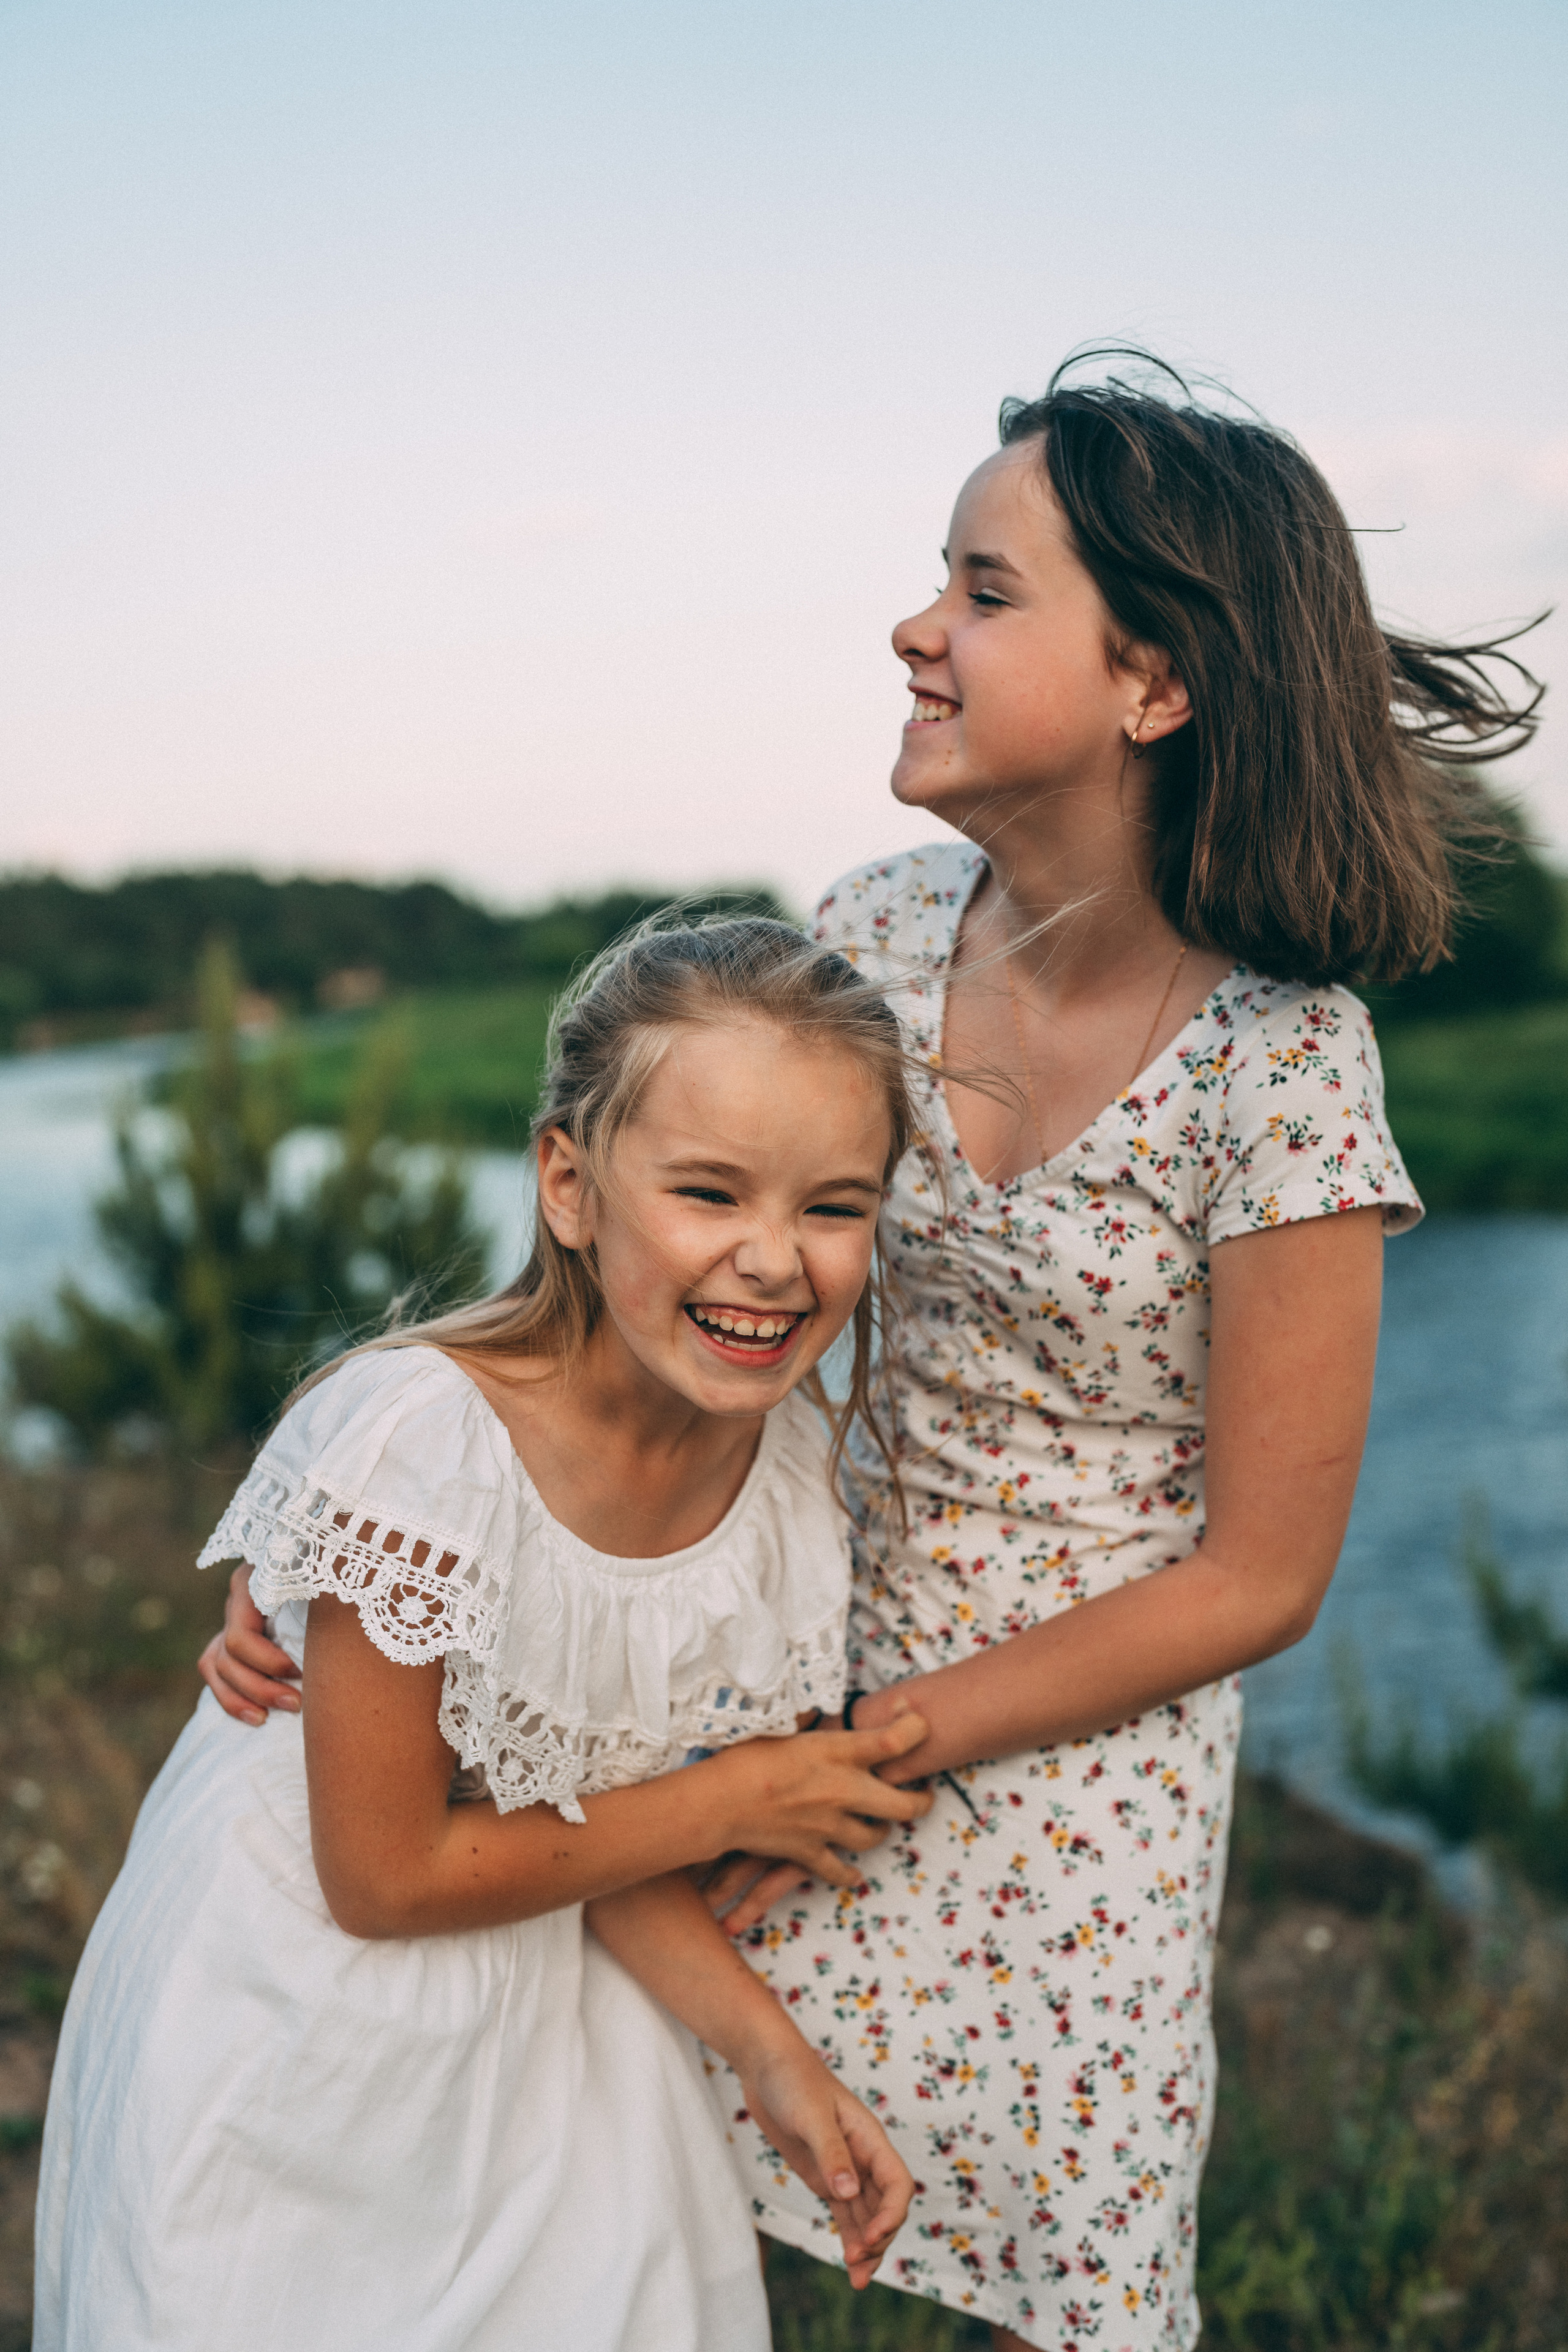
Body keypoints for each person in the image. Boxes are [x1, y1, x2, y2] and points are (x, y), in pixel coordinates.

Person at [204, 354, 1543, 2351]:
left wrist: (841, 1771)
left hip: (1073, 1775)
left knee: (1058, 2277)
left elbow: (1260, 1577)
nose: (916, 625)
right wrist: (373, 1553)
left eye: (986, 593)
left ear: (1154, 683)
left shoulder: (1285, 1065)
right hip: (765, 1654)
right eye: (942, 579)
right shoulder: (883, 925)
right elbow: (661, 1285)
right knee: (622, 2190)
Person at [34, 918, 936, 2352]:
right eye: (707, 1192)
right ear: (569, 1186)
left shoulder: (788, 1475)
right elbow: (385, 1872)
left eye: (835, 1207)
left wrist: (773, 2056)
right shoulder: (422, 1447)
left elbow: (578, 1799)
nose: (774, 1260)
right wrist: (738, 1797)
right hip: (301, 2023)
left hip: (560, 2006)